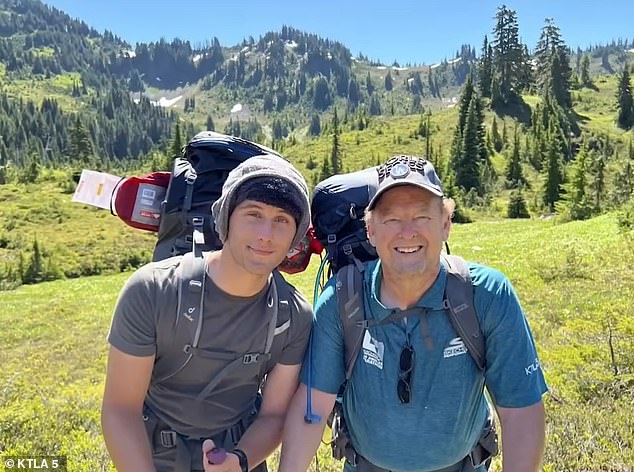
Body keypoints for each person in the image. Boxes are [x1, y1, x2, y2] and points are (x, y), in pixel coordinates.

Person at [279, 155, 548, 472]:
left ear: (446, 224)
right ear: (371, 231)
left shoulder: (487, 295)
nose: (407, 232)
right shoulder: (342, 298)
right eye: (391, 219)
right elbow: (313, 406)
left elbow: (521, 411)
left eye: (422, 216)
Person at [101, 154, 314, 472]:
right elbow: (121, 410)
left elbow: (273, 415)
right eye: (253, 214)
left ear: (296, 235)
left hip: (240, 455)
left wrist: (239, 461)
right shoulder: (153, 290)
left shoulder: (293, 315)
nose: (266, 234)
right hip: (150, 455)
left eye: (282, 220)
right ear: (225, 218)